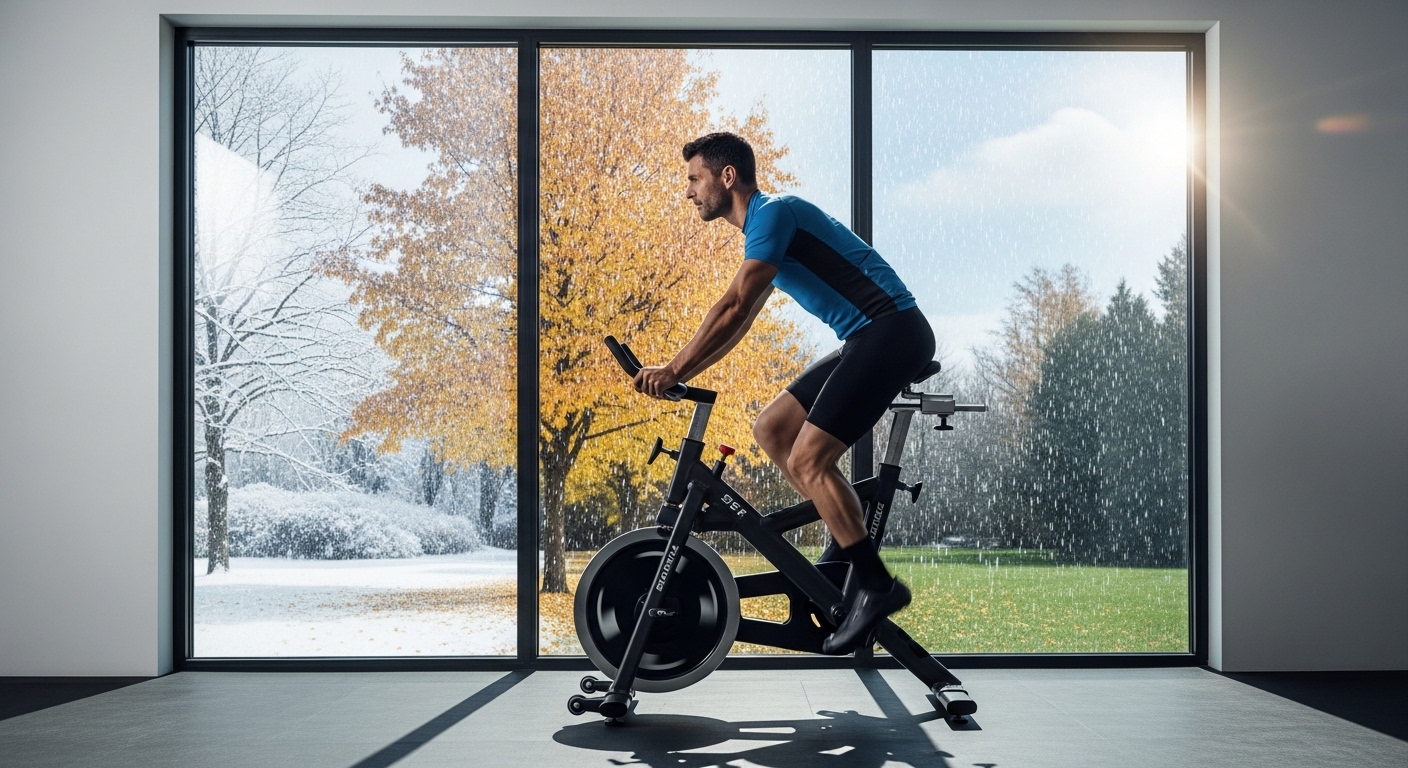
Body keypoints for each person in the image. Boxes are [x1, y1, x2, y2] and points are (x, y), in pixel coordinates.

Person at [632, 132, 936, 654]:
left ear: (727, 177)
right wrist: (682, 372)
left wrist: (673, 368)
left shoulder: (772, 214)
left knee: (809, 460)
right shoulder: (765, 231)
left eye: (693, 178)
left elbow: (732, 305)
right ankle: (846, 549)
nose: (688, 192)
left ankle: (875, 584)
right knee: (771, 430)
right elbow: (741, 319)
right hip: (868, 336)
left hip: (892, 331)